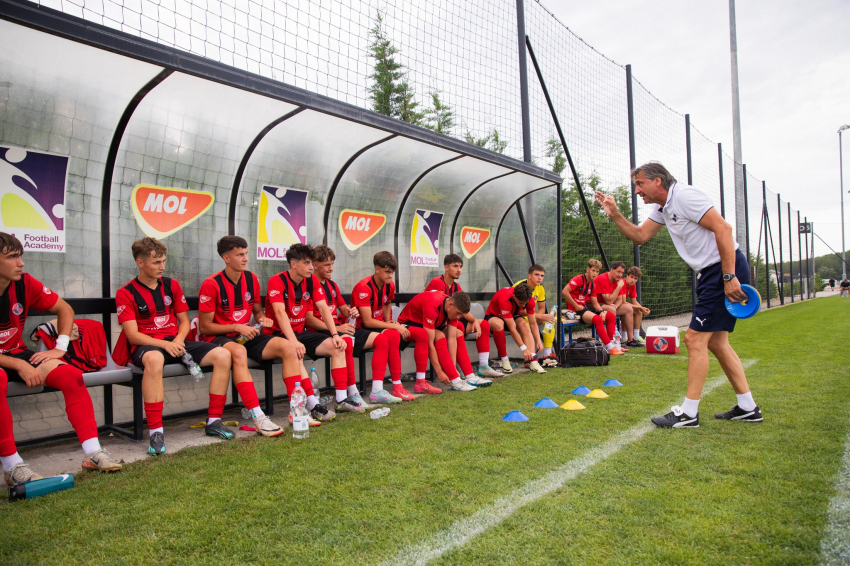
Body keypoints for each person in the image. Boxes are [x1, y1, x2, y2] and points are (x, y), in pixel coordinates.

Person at [595, 162, 762, 427]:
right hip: (712, 272)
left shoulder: (684, 196)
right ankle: (748, 407)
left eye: (640, 184)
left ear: (658, 181)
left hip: (721, 269)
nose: (637, 190)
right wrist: (614, 213)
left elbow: (724, 230)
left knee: (694, 341)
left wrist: (729, 277)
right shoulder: (664, 208)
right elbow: (640, 236)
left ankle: (688, 413)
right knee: (717, 343)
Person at [0, 233, 122, 484]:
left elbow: (64, 309)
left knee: (70, 374)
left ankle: (93, 453)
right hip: (8, 362)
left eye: (21, 256)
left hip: (14, 353)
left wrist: (60, 347)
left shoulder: (24, 282)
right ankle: (12, 466)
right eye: (12, 257)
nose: (21, 263)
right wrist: (19, 364)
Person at [114, 237, 233, 454]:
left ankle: (214, 421)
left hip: (176, 343)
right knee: (154, 359)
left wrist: (178, 340)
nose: (162, 267)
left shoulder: (171, 285)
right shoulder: (126, 293)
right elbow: (132, 336)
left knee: (223, 356)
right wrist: (164, 344)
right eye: (156, 262)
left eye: (163, 261)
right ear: (140, 263)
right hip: (147, 345)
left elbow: (185, 321)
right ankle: (156, 432)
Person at [196, 236, 289, 437]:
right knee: (238, 351)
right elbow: (205, 328)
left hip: (245, 334)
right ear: (226, 258)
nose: (246, 258)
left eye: (246, 253)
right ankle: (258, 417)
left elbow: (257, 311)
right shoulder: (211, 284)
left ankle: (300, 409)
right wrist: (237, 326)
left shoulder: (251, 278)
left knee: (288, 347)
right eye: (240, 255)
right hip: (218, 338)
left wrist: (263, 318)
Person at [307, 245, 409, 408]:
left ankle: (377, 391)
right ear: (314, 264)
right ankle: (352, 393)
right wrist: (337, 329)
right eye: (327, 265)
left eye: (332, 264)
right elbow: (309, 320)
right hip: (322, 333)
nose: (331, 268)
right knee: (346, 341)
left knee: (383, 340)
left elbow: (343, 310)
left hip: (340, 329)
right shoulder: (309, 284)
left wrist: (351, 312)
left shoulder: (331, 285)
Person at [264, 243, 343, 425]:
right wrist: (293, 341)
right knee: (295, 352)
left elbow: (323, 308)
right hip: (277, 334)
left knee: (337, 346)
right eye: (307, 263)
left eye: (311, 263)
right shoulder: (277, 280)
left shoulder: (311, 280)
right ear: (293, 264)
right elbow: (279, 313)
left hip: (301, 332)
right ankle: (312, 404)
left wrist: (335, 334)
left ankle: (342, 400)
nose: (310, 267)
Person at [351, 251, 420, 400]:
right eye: (387, 271)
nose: (390, 275)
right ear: (377, 269)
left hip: (377, 325)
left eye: (392, 272)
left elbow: (387, 303)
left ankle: (397, 386)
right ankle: (383, 389)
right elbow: (367, 321)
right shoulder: (363, 288)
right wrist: (394, 326)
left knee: (395, 335)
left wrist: (388, 321)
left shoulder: (390, 285)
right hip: (360, 328)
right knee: (394, 333)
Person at [425, 254, 502, 381]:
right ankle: (454, 368)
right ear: (446, 267)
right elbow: (441, 309)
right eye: (455, 266)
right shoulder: (437, 283)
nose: (459, 269)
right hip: (433, 323)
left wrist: (474, 321)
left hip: (447, 321)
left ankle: (483, 366)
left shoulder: (456, 286)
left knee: (483, 324)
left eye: (461, 266)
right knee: (458, 327)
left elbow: (462, 308)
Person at [396, 290, 485, 392]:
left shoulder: (451, 307)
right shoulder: (433, 305)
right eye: (458, 313)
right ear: (450, 304)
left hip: (424, 323)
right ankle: (455, 381)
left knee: (458, 333)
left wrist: (453, 367)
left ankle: (469, 376)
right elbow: (429, 344)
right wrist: (439, 371)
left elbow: (452, 338)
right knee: (439, 335)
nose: (459, 317)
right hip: (407, 324)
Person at [561, 259, 624, 356]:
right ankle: (610, 348)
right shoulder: (578, 279)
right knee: (598, 319)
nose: (595, 274)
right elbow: (564, 292)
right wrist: (576, 305)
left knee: (610, 316)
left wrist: (601, 311)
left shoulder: (592, 284)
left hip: (586, 306)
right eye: (593, 270)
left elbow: (595, 303)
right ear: (587, 269)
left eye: (597, 271)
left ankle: (612, 343)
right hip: (576, 309)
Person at [484, 283, 547, 374]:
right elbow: (512, 328)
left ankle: (533, 361)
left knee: (525, 325)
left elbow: (533, 323)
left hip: (512, 315)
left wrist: (538, 341)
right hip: (493, 316)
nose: (523, 305)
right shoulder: (505, 299)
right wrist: (524, 349)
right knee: (499, 324)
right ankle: (505, 359)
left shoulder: (529, 300)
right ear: (514, 296)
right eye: (521, 303)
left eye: (525, 303)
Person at [513, 264, 559, 367]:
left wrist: (537, 316)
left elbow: (542, 307)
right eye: (536, 275)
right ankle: (528, 358)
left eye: (542, 276)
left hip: (530, 315)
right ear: (529, 276)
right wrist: (537, 317)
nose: (539, 278)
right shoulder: (520, 286)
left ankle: (547, 355)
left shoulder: (540, 288)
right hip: (515, 317)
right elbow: (518, 310)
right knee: (527, 321)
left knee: (551, 319)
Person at [592, 261, 632, 352]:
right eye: (618, 272)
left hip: (607, 306)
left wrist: (615, 306)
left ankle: (630, 340)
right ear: (612, 270)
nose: (620, 275)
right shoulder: (603, 278)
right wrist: (618, 287)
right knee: (611, 308)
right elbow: (609, 300)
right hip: (595, 305)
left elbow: (620, 300)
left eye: (622, 273)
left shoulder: (617, 280)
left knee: (628, 308)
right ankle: (612, 343)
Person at [621, 266, 650, 347]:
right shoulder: (622, 283)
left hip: (622, 306)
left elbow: (634, 301)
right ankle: (624, 338)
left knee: (638, 310)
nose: (633, 280)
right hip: (614, 306)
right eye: (631, 277)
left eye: (635, 278)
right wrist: (640, 307)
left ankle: (636, 336)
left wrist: (643, 309)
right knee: (627, 310)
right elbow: (623, 302)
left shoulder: (633, 286)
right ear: (627, 276)